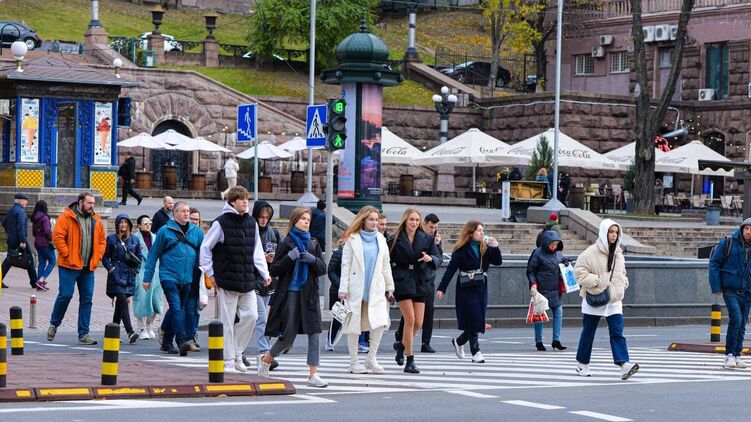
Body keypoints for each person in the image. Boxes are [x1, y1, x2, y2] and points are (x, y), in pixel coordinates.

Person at [201, 186, 271, 372]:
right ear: (232, 202)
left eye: (247, 199)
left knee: (252, 316)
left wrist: (265, 273)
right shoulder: (221, 223)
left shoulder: (251, 222)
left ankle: (237, 352)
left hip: (247, 278)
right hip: (227, 279)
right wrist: (211, 274)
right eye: (241, 199)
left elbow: (257, 250)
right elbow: (205, 248)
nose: (245, 202)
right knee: (227, 322)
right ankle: (229, 360)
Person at [259, 207, 328, 388]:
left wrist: (313, 260)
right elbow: (274, 269)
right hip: (290, 293)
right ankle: (266, 359)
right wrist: (290, 257)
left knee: (314, 331)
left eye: (308, 219)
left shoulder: (313, 243)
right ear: (295, 220)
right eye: (303, 219)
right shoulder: (287, 242)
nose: (306, 222)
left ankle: (313, 374)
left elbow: (323, 269)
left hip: (309, 294)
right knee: (288, 335)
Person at [574, 219, 639, 380]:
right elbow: (579, 272)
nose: (614, 235)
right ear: (604, 233)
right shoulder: (590, 252)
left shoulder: (619, 254)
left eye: (616, 232)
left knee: (617, 332)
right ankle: (582, 364)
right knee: (588, 332)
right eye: (611, 232)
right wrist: (597, 282)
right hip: (595, 297)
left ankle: (624, 364)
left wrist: (623, 283)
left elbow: (622, 274)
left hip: (614, 299)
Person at [338, 206, 395, 374]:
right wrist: (343, 289)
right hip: (356, 289)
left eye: (376, 220)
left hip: (377, 288)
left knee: (380, 323)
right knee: (353, 325)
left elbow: (386, 265)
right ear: (363, 220)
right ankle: (354, 362)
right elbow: (346, 266)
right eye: (371, 219)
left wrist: (390, 287)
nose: (375, 223)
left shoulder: (381, 239)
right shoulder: (352, 239)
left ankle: (371, 358)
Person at [143, 201, 204, 356]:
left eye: (188, 211)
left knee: (176, 309)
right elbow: (153, 254)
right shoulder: (165, 231)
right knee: (177, 308)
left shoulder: (196, 232)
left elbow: (204, 252)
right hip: (169, 276)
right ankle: (182, 341)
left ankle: (166, 341)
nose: (186, 214)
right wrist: (147, 277)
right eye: (182, 211)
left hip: (188, 278)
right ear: (175, 213)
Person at [437, 221, 502, 364]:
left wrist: (495, 247)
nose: (482, 233)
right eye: (479, 230)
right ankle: (475, 351)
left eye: (483, 230)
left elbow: (498, 262)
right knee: (474, 318)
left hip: (481, 287)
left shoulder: (485, 248)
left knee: (477, 319)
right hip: (466, 287)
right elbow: (450, 270)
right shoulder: (461, 250)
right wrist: (442, 287)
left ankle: (459, 341)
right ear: (471, 233)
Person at [47, 192, 107, 345]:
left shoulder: (96, 220)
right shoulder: (66, 217)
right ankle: (54, 324)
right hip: (69, 265)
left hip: (88, 267)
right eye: (89, 203)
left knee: (87, 299)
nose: (92, 206)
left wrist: (98, 255)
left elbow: (102, 241)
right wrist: (67, 254)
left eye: (93, 203)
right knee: (66, 295)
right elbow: (57, 237)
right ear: (80, 202)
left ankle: (84, 333)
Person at [389, 208, 441, 373]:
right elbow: (386, 262)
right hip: (402, 281)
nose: (414, 223)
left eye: (417, 220)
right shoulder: (395, 239)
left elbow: (438, 257)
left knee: (419, 322)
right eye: (411, 219)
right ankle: (410, 360)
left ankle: (401, 346)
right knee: (410, 320)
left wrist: (430, 258)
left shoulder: (426, 238)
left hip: (419, 281)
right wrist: (388, 285)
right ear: (405, 220)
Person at [709, 218, 751, 369]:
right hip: (730, 288)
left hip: (748, 290)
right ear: (742, 229)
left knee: (742, 323)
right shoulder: (728, 243)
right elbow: (714, 263)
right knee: (736, 319)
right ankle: (729, 355)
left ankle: (737, 355)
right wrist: (716, 286)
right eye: (747, 228)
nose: (749, 232)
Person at [250, 200, 281, 370]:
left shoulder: (273, 233)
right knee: (260, 318)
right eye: (261, 217)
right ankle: (264, 353)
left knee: (263, 320)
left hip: (268, 281)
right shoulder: (250, 231)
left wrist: (273, 258)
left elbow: (282, 252)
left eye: (266, 217)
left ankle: (239, 351)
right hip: (253, 280)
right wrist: (259, 256)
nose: (263, 220)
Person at [102, 214, 142, 344]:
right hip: (116, 276)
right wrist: (111, 268)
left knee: (120, 305)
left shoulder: (135, 239)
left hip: (129, 275)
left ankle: (112, 333)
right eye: (121, 222)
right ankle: (130, 332)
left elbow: (139, 257)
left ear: (129, 224)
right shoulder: (111, 239)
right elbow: (105, 257)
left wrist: (136, 270)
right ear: (117, 225)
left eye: (125, 222)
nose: (123, 224)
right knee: (123, 301)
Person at [527, 230, 567, 351]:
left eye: (556, 244)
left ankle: (556, 340)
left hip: (555, 289)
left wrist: (566, 262)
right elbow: (531, 271)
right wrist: (533, 284)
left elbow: (563, 261)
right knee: (539, 314)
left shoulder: (558, 254)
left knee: (558, 312)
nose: (554, 247)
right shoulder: (537, 253)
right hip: (541, 289)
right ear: (545, 243)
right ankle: (539, 341)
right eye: (552, 244)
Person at [132, 215, 163, 341]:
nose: (148, 225)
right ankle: (142, 328)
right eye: (145, 223)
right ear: (139, 225)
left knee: (156, 302)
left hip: (156, 273)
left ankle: (149, 324)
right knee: (141, 301)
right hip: (141, 273)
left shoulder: (156, 237)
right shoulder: (135, 239)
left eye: (149, 223)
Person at [2, 193, 38, 289]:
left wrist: (10, 232)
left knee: (9, 260)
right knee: (29, 259)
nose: (26, 202)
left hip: (11, 239)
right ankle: (34, 282)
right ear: (21, 201)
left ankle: (34, 281)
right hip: (19, 240)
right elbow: (21, 227)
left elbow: (4, 222)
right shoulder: (21, 211)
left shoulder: (11, 210)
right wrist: (22, 241)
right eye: (26, 200)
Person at [185, 207, 204, 350]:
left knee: (194, 309)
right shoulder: (185, 234)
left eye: (197, 219)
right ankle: (167, 330)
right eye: (193, 219)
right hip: (184, 277)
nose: (195, 222)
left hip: (197, 277)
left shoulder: (200, 235)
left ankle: (191, 336)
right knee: (182, 308)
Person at [31, 199, 55, 291]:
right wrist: (51, 238)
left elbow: (34, 233)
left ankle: (39, 283)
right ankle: (41, 280)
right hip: (45, 243)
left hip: (37, 242)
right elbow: (47, 231)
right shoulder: (45, 218)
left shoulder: (35, 217)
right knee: (53, 261)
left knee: (42, 263)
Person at [326, 243, 344, 352]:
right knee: (338, 318)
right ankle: (330, 340)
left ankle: (362, 341)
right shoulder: (339, 253)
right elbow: (331, 270)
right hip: (337, 291)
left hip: (353, 290)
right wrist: (340, 284)